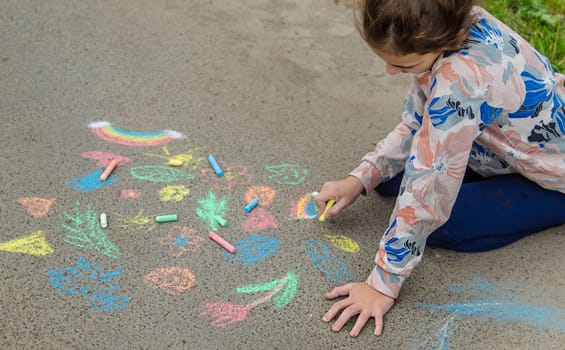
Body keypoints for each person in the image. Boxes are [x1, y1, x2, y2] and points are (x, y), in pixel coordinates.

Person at [314, 0, 565, 337]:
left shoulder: (459, 81)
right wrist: (360, 178)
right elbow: (418, 123)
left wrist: (382, 283)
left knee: (445, 225)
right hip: (499, 143)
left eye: (402, 64)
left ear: (444, 40)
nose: (390, 71)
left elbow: (430, 182)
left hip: (550, 172)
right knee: (388, 184)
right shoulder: (453, 19)